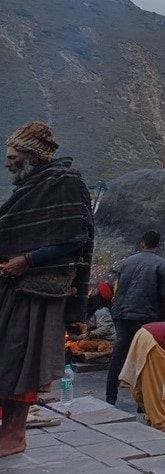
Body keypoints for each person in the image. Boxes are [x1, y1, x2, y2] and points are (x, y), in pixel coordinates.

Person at [0, 121, 93, 458]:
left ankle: (14, 435)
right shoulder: (30, 186)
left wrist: (28, 259)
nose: (7, 163)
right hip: (16, 286)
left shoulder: (63, 182)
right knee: (7, 358)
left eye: (12, 157)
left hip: (41, 290)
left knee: (23, 359)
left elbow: (74, 237)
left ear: (32, 156)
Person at [106, 230, 165, 405]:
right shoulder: (162, 264)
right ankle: (143, 404)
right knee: (145, 357)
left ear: (142, 243)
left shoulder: (126, 262)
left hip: (122, 314)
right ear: (158, 245)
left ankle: (110, 397)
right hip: (146, 316)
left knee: (118, 355)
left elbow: (117, 287)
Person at [67, 282, 117, 358]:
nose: (92, 292)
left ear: (100, 296)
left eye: (95, 291)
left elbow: (104, 329)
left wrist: (84, 336)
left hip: (107, 342)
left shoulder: (102, 311)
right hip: (96, 339)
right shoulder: (94, 309)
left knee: (80, 344)